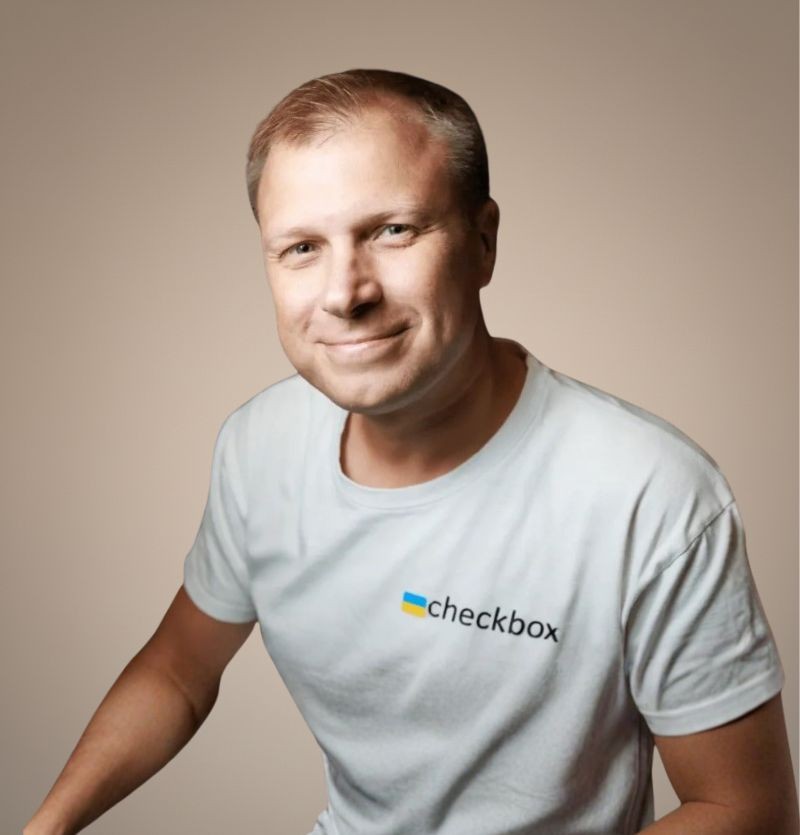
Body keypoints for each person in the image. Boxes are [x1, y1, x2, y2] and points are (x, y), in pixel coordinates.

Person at [25, 68, 798, 835]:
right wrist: (48, 825)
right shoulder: (258, 448)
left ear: (484, 241)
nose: (344, 291)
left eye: (392, 230)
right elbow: (176, 673)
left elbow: (745, 809)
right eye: (300, 247)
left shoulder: (648, 491)